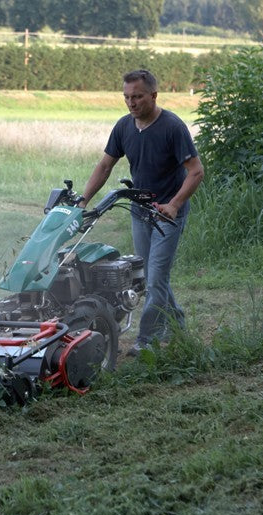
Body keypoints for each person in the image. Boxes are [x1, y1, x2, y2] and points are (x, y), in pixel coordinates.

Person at [78, 69, 204, 356]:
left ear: (153, 95)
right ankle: (177, 324)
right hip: (140, 212)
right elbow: (105, 166)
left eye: (137, 97)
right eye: (126, 97)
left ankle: (146, 339)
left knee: (156, 276)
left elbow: (196, 172)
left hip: (167, 215)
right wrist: (84, 200)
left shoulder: (172, 127)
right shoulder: (124, 127)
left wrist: (174, 204)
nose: (131, 103)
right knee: (150, 277)